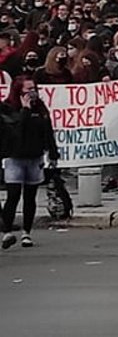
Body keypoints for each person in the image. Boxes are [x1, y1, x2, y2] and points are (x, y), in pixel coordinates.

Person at [1, 77, 59, 249]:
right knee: (13, 196)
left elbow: (47, 130)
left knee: (30, 197)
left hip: (35, 157)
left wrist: (53, 152)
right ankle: (7, 231)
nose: (32, 93)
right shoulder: (8, 109)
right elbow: (15, 130)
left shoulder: (40, 109)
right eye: (28, 90)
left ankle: (27, 232)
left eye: (34, 89)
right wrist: (25, 111)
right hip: (15, 158)